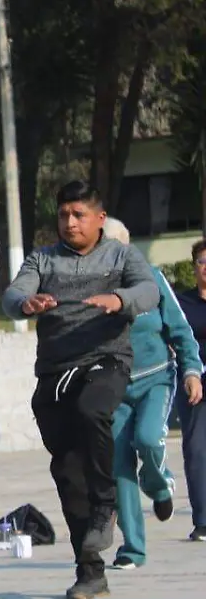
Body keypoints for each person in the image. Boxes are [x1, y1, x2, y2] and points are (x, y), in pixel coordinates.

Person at [2, 180, 158, 599]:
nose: (69, 223)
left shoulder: (122, 255)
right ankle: (90, 572)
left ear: (99, 218)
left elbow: (150, 291)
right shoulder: (43, 258)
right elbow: (13, 292)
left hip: (106, 360)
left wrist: (120, 300)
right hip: (55, 372)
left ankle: (106, 505)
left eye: (79, 215)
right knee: (68, 473)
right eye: (63, 215)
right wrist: (25, 304)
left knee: (93, 410)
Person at [100, 219, 203, 569]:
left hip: (156, 380)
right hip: (115, 388)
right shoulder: (90, 289)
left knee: (148, 438)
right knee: (119, 467)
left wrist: (191, 371)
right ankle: (133, 549)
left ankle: (159, 486)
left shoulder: (152, 280)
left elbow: (180, 330)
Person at [172, 238, 206, 542]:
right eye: (202, 262)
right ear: (194, 266)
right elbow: (174, 338)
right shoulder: (182, 303)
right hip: (194, 383)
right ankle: (203, 520)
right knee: (196, 450)